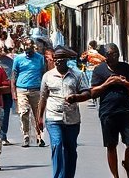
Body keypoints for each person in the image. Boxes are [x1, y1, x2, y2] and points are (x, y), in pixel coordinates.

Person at [83, 43, 129, 178]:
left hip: (126, 110)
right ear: (105, 56)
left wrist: (124, 83)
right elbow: (93, 92)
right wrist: (107, 83)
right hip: (108, 112)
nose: (114, 57)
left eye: (116, 54)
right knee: (111, 145)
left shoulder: (126, 68)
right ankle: (115, 176)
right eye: (111, 54)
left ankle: (127, 162)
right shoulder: (99, 70)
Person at [36, 46, 86, 178]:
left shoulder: (77, 75)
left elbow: (87, 92)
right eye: (56, 59)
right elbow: (42, 98)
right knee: (57, 145)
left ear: (67, 60)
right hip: (53, 117)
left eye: (61, 59)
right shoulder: (47, 76)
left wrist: (76, 97)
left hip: (72, 118)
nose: (58, 61)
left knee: (70, 149)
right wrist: (39, 118)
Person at [11, 37, 47, 147]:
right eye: (26, 46)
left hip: (36, 90)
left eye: (30, 46)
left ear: (33, 47)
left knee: (38, 114)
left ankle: (39, 136)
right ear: (23, 46)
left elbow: (44, 74)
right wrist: (14, 93)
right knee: (23, 113)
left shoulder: (40, 58)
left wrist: (45, 91)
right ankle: (26, 136)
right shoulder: (18, 59)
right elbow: (13, 76)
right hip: (22, 90)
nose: (28, 48)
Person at [0, 31, 15, 143]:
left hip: (6, 90)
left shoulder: (11, 61)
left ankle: (3, 135)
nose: (0, 51)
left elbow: (13, 76)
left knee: (6, 112)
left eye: (2, 49)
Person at [80, 41, 107, 108]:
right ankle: (94, 96)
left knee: (89, 82)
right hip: (96, 69)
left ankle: (91, 96)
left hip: (89, 69)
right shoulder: (97, 54)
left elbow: (81, 58)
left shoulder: (88, 52)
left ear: (90, 46)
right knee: (94, 83)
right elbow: (104, 59)